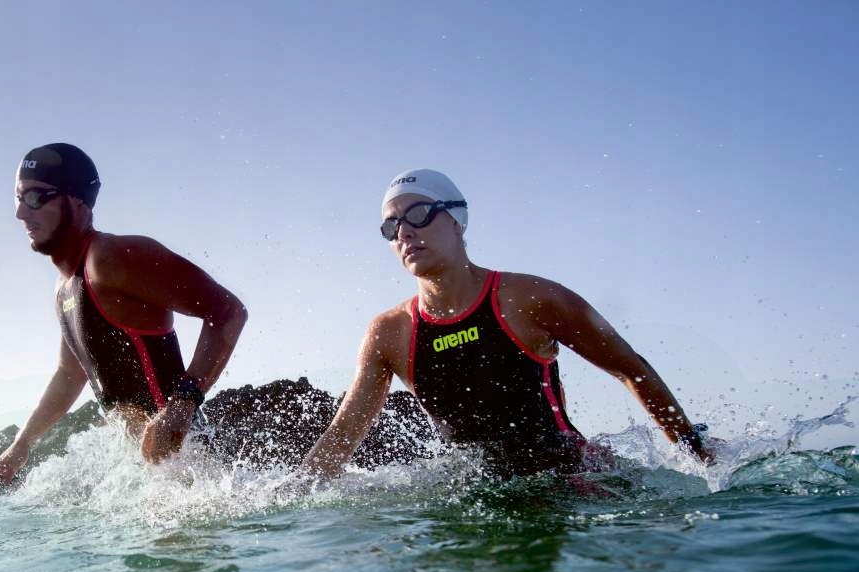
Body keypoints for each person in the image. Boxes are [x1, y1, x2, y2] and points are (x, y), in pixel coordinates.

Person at [301, 168, 711, 481]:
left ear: (457, 220)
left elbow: (630, 368)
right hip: (475, 492)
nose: (405, 231)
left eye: (419, 214)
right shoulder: (390, 332)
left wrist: (696, 453)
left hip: (570, 479)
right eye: (392, 226)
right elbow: (342, 435)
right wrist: (295, 493)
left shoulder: (529, 298)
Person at [0, 143, 247, 500]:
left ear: (77, 200)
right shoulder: (65, 289)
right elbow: (69, 373)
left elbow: (228, 311)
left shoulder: (110, 259)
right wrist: (20, 446)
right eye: (17, 198)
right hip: (149, 483)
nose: (20, 212)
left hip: (188, 473)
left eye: (35, 198)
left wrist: (181, 406)